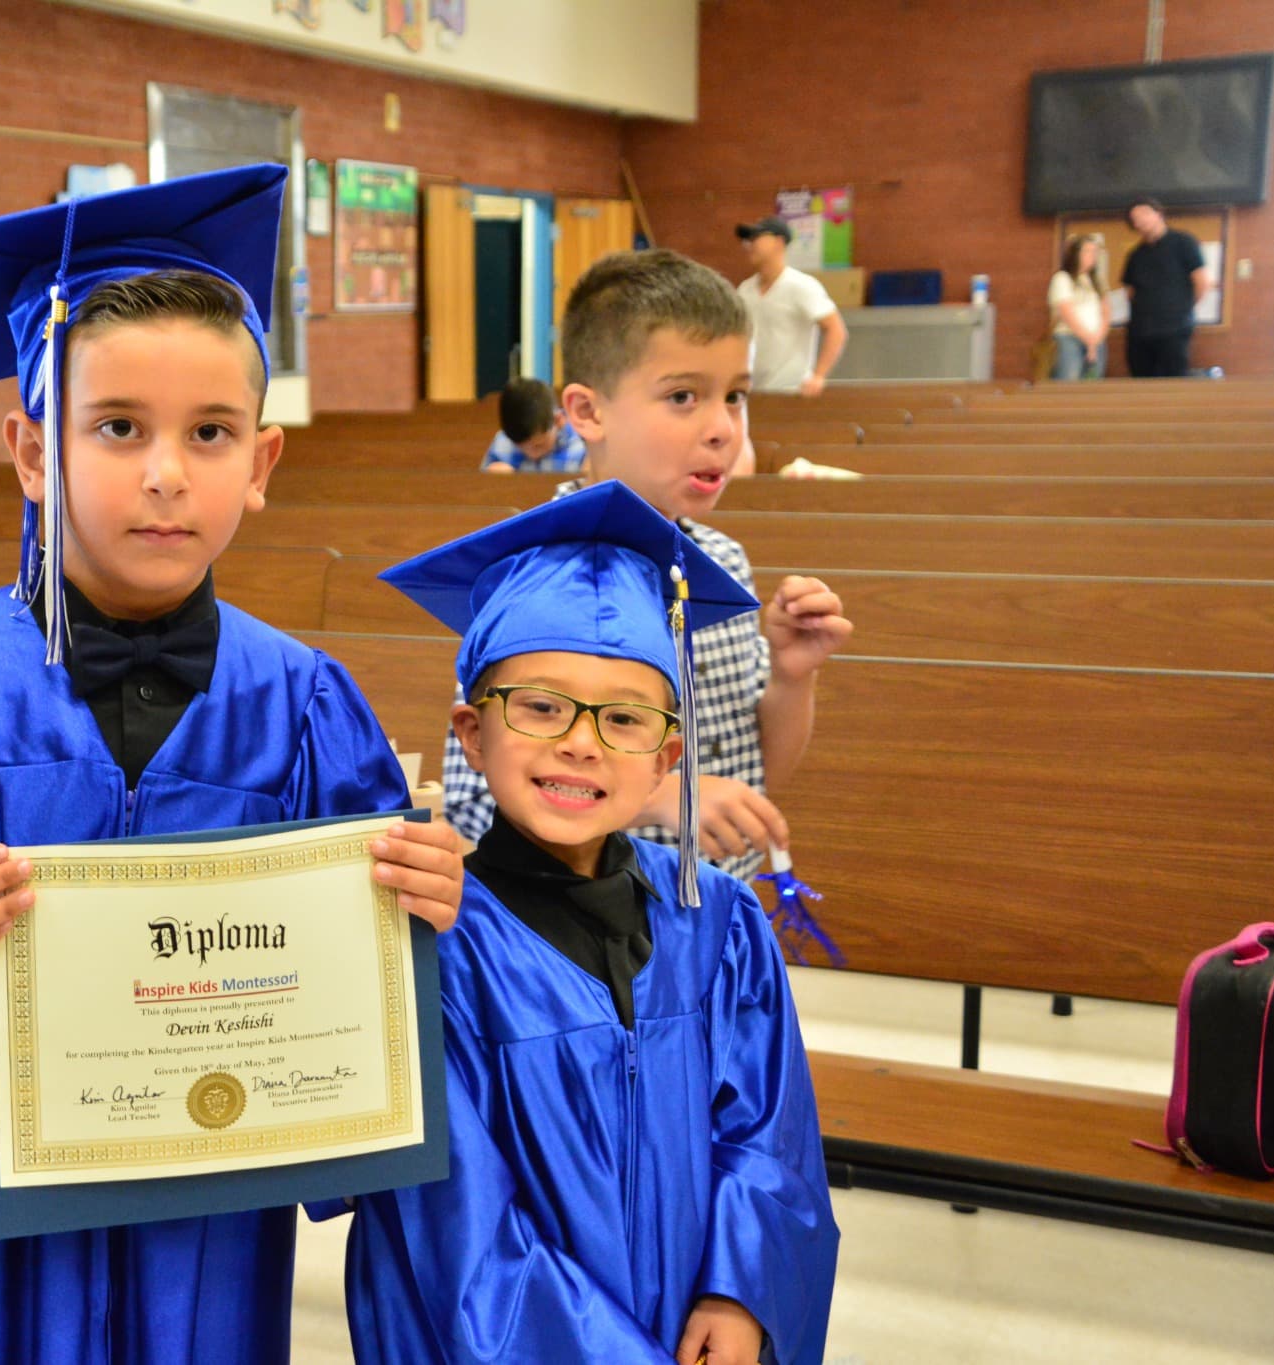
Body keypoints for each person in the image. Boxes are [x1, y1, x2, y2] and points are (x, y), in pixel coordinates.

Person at [0, 164, 464, 1365]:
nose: (164, 473)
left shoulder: (304, 701)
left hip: (209, 1218)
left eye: (210, 433)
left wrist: (420, 904)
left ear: (261, 463)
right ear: (30, 451)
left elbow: (372, 987)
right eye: (116, 427)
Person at [349, 480, 840, 1365]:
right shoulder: (431, 947)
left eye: (624, 718)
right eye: (540, 706)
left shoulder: (721, 925)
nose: (581, 741)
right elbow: (460, 1237)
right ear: (471, 733)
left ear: (667, 758)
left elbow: (771, 1138)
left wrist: (741, 1291)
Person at [442, 250, 852, 881]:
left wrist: (792, 677)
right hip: (584, 919)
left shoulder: (722, 561)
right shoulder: (527, 572)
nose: (723, 429)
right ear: (587, 413)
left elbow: (753, 775)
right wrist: (660, 797)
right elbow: (472, 803)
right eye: (683, 396)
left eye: (735, 396)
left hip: (716, 903)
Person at [735, 216, 846, 396]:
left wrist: (818, 376)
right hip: (753, 393)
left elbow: (836, 329)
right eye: (749, 239)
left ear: (779, 242)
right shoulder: (744, 290)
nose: (751, 244)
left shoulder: (802, 285)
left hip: (792, 392)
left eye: (757, 237)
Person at [1121, 199, 1210, 379]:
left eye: (1145, 214)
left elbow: (1202, 282)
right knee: (1140, 381)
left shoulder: (1184, 242)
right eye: (1135, 218)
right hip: (1140, 331)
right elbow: (1130, 291)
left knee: (1173, 381)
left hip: (1174, 329)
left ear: (1159, 214)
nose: (1140, 220)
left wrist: (1182, 309)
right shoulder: (1135, 254)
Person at [481, 377, 586, 475]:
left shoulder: (578, 447)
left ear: (558, 421)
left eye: (538, 446)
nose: (531, 455)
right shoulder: (503, 443)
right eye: (520, 447)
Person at [1047, 234, 1108, 382]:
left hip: (1096, 340)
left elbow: (1106, 311)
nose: (1092, 256)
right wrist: (1088, 339)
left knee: (1093, 382)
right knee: (1069, 380)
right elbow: (1066, 312)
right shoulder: (1062, 278)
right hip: (1069, 338)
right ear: (1075, 254)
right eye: (1087, 251)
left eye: (1095, 252)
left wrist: (1097, 338)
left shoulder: (1097, 281)